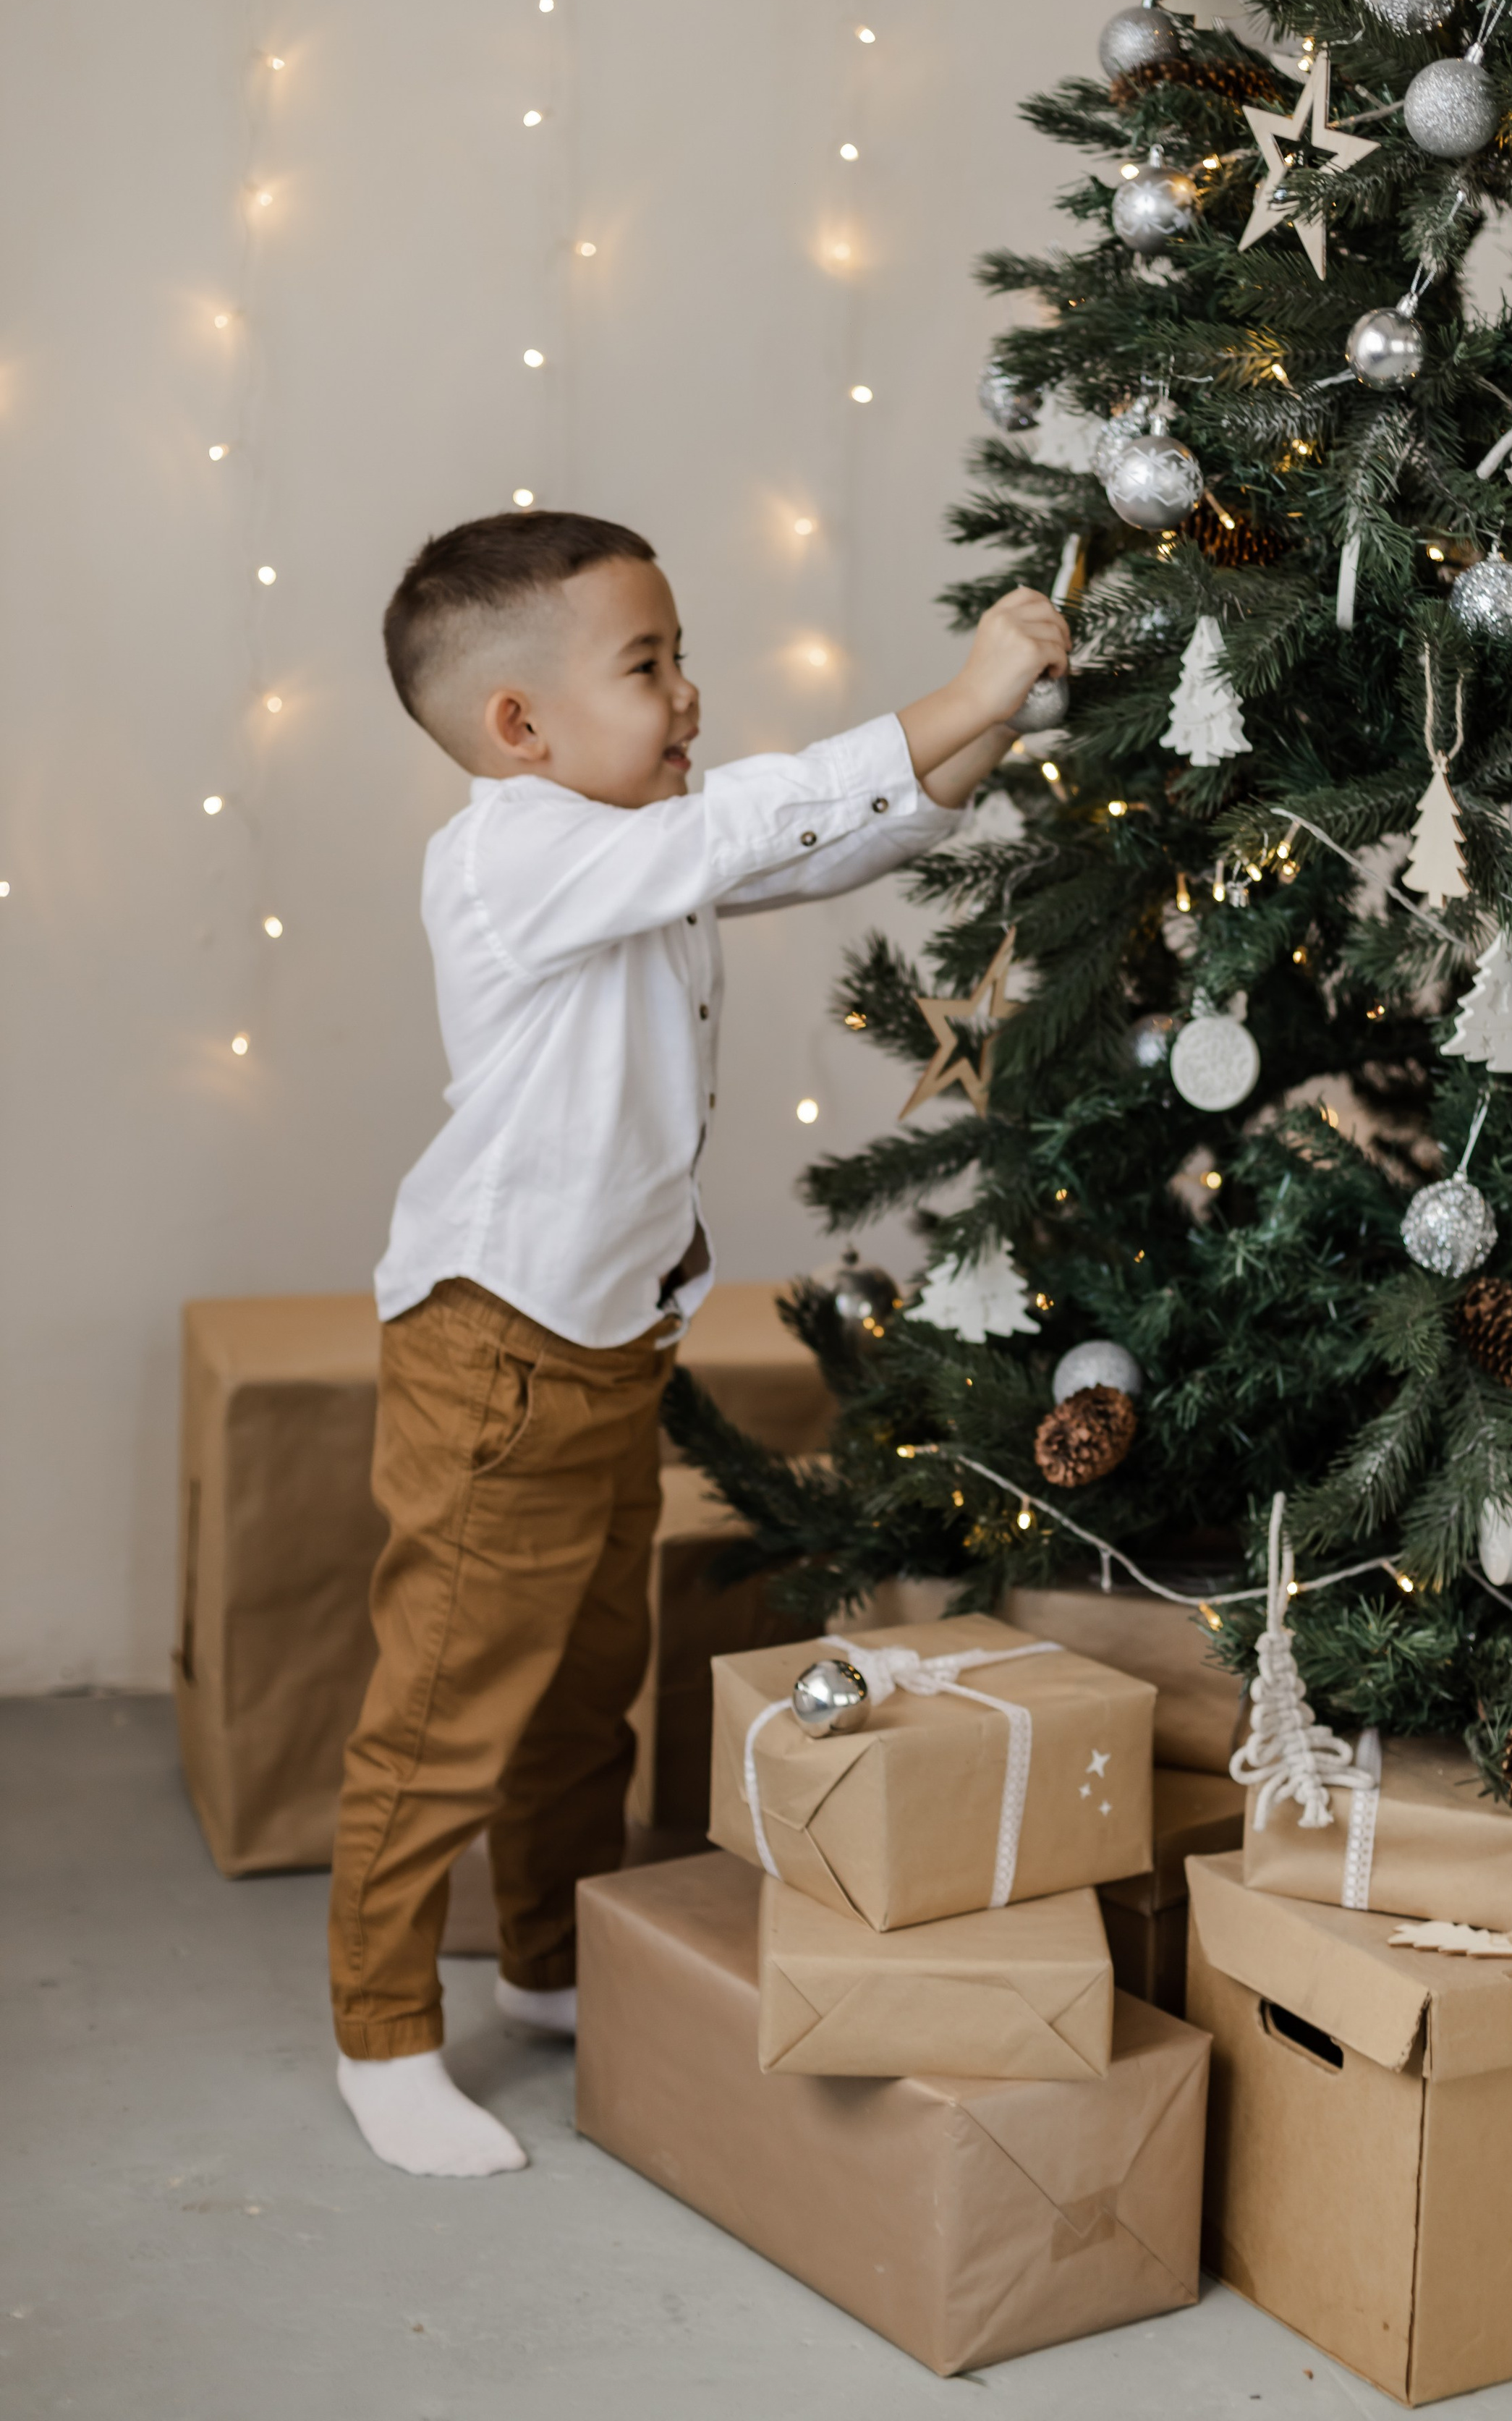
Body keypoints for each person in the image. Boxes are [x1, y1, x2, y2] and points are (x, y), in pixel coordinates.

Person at [331, 506, 1068, 2176]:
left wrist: (977, 735)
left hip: (601, 1349)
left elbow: (807, 846)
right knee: (451, 1702)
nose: (687, 696)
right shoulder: (515, 852)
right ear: (520, 727)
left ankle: (540, 1963)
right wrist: (954, 690)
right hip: (495, 1358)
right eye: (646, 666)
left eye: (679, 659)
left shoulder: (631, 848)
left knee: (584, 1683)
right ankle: (379, 2035)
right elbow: (752, 817)